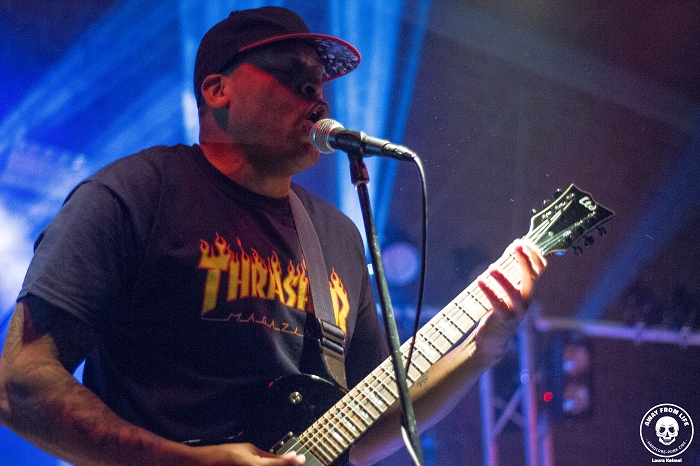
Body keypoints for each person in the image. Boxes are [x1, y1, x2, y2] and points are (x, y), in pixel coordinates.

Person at [0, 6, 547, 466]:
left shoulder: (336, 236)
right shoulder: (135, 193)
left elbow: (365, 430)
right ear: (218, 90)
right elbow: (20, 384)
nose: (317, 95)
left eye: (319, 81)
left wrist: (481, 350)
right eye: (290, 73)